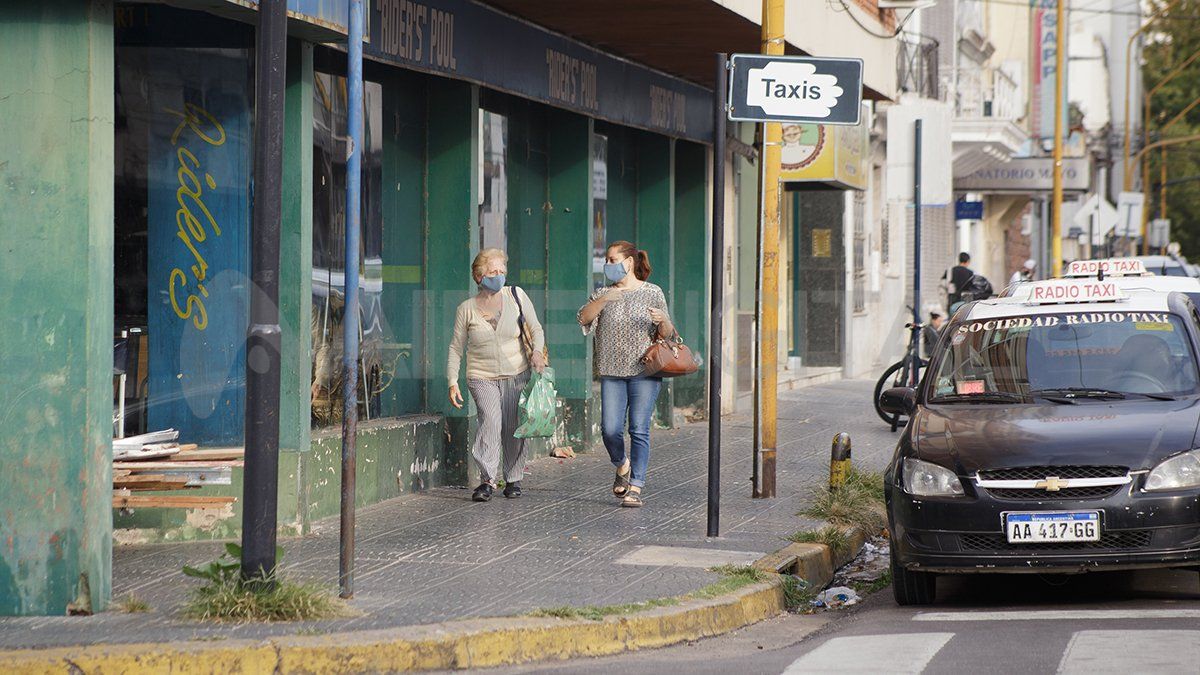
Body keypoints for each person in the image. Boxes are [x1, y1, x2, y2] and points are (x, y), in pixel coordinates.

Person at [577, 240, 674, 508]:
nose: (608, 265)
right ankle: (622, 465)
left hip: (645, 371)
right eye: (606, 260)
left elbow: (666, 333)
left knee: (639, 429)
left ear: (629, 263)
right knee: (610, 430)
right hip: (611, 372)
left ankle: (636, 486)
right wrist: (604, 299)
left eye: (611, 259)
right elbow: (583, 318)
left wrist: (663, 321)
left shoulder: (652, 292)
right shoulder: (603, 293)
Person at [447, 248, 546, 503]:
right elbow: (456, 346)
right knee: (490, 422)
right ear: (479, 276)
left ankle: (513, 478)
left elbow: (535, 328)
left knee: (513, 427)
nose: (499, 276)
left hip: (517, 373)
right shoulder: (466, 309)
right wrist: (452, 380)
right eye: (493, 272)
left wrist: (536, 352)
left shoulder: (516, 296)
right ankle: (487, 479)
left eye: (502, 271)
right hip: (481, 376)